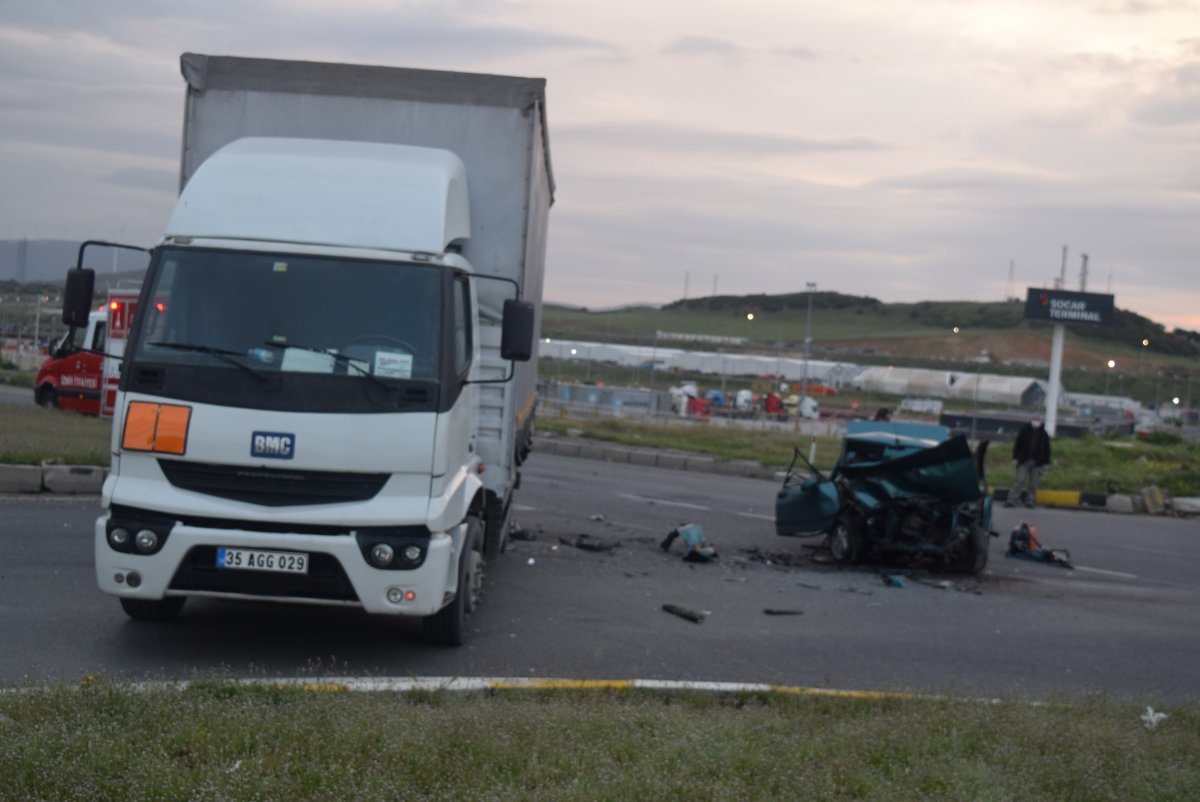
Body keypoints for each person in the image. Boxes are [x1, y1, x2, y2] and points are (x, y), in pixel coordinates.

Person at [1007, 415, 1051, 508]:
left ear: (1040, 421)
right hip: (1023, 460)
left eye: (1037, 420)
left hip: (1038, 462)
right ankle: (1011, 500)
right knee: (1019, 480)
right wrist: (1014, 458)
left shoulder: (1044, 433)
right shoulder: (1023, 431)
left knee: (1034, 483)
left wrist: (1046, 462)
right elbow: (1017, 445)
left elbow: (1047, 449)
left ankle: (1030, 501)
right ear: (1031, 420)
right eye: (1034, 419)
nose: (1036, 422)